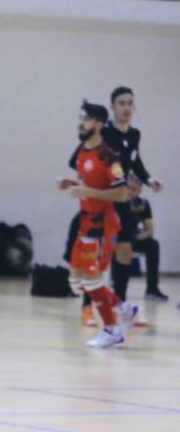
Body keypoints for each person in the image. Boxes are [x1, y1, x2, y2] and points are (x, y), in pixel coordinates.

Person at [62, 101, 138, 349]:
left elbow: (122, 194)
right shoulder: (82, 153)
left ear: (97, 123)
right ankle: (122, 307)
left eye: (85, 118)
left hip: (103, 228)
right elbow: (89, 185)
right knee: (75, 284)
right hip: (85, 226)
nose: (80, 122)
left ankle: (112, 330)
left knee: (92, 282)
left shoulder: (110, 157)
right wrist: (72, 185)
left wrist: (88, 191)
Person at [102, 86, 162, 303]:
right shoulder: (105, 133)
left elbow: (135, 160)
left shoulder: (134, 135)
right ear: (112, 107)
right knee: (102, 252)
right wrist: (116, 181)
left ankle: (119, 301)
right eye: (121, 103)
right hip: (104, 199)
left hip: (122, 200)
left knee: (125, 250)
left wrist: (149, 179)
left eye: (130, 103)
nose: (127, 108)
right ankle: (89, 305)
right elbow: (105, 161)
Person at [125, 175, 166, 302]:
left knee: (153, 245)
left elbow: (149, 230)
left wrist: (136, 237)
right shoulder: (115, 201)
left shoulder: (143, 204)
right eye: (128, 188)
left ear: (140, 191)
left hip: (134, 236)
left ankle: (152, 289)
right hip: (115, 238)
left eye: (135, 189)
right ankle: (117, 289)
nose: (131, 192)